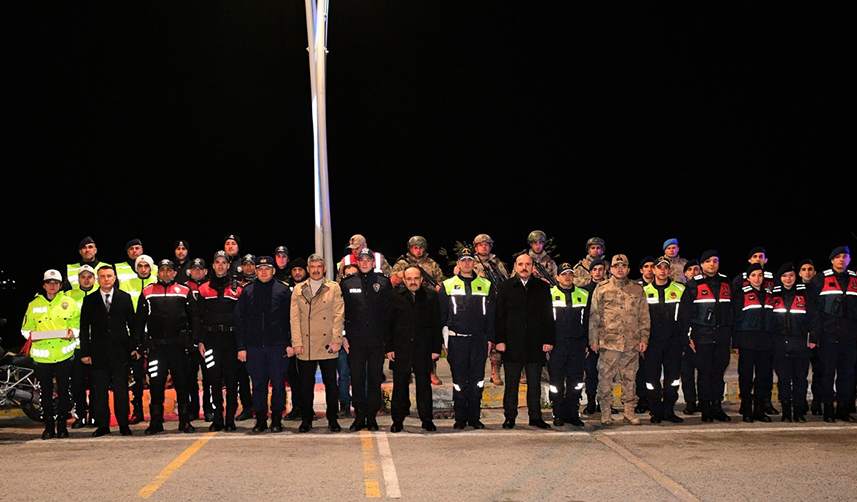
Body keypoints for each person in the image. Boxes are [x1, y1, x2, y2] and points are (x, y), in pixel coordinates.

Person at [136, 259, 201, 435]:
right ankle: (156, 422)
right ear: (158, 272)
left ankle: (185, 421)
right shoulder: (148, 291)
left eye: (169, 270)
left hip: (179, 348)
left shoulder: (184, 291)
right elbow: (139, 320)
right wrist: (140, 344)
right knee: (156, 384)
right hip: (157, 349)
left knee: (182, 385)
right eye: (162, 270)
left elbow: (194, 317)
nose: (165, 273)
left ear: (174, 273)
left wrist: (193, 341)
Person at [589, 254, 650, 426]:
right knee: (605, 379)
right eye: (617, 266)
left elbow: (644, 316)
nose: (620, 269)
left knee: (630, 378)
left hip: (631, 342)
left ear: (628, 269)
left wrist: (644, 338)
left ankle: (629, 412)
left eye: (623, 266)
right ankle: (606, 413)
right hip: (609, 343)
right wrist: (593, 339)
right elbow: (594, 317)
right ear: (611, 269)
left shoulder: (637, 289)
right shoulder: (601, 288)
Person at [438, 247, 496, 429]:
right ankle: (460, 417)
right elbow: (441, 315)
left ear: (474, 263)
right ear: (458, 263)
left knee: (477, 380)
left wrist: (490, 339)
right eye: (463, 260)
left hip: (479, 340)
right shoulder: (447, 285)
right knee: (459, 381)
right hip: (457, 340)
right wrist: (443, 340)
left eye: (470, 260)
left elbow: (492, 315)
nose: (466, 263)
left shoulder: (486, 285)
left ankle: (474, 417)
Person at [495, 253, 554, 430]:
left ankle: (535, 417)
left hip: (535, 343)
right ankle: (510, 417)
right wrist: (499, 340)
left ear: (532, 266)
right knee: (511, 384)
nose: (524, 267)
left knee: (534, 384)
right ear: (515, 266)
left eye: (527, 264)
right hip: (512, 343)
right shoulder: (505, 287)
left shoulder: (542, 287)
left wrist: (549, 339)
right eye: (520, 264)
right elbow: (499, 316)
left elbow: (549, 316)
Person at [78, 265, 139, 437]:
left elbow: (132, 325)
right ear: (98, 279)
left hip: (120, 353)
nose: (106, 279)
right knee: (99, 392)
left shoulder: (124, 298)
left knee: (121, 392)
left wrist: (136, 347)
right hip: (98, 354)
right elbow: (84, 328)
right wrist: (85, 352)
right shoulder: (90, 300)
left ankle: (123, 425)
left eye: (109, 276)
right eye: (103, 276)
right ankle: (103, 425)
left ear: (114, 278)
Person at [235, 256, 293, 433]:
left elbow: (292, 319)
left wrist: (291, 343)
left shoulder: (283, 291)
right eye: (260, 269)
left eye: (267, 269)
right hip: (254, 347)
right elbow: (239, 321)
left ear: (273, 271)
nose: (263, 272)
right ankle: (260, 419)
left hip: (278, 346)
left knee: (278, 384)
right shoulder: (248, 291)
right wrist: (241, 347)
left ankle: (276, 418)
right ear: (256, 271)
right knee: (258, 385)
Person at [290, 254, 346, 433]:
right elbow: (294, 318)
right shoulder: (298, 289)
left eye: (319, 266)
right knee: (305, 385)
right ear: (308, 269)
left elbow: (339, 315)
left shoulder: (333, 288)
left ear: (324, 269)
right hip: (305, 344)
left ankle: (332, 418)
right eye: (312, 266)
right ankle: (306, 419)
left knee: (331, 384)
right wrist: (296, 342)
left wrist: (337, 340)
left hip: (327, 343)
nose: (315, 270)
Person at [21, 269, 79, 439]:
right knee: (45, 394)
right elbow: (25, 329)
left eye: (55, 283)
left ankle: (62, 426)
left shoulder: (69, 302)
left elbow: (77, 324)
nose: (52, 286)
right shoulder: (34, 304)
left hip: (64, 356)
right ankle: (48, 427)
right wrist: (31, 335)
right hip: (42, 357)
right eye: (49, 283)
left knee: (63, 393)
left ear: (60, 285)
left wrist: (72, 332)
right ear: (44, 285)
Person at [384, 265, 443, 432]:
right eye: (409, 279)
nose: (413, 282)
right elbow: (388, 324)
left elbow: (436, 324)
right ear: (404, 280)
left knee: (424, 386)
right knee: (399, 387)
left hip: (423, 349)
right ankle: (397, 420)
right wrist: (389, 348)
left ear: (422, 279)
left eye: (416, 278)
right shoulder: (395, 296)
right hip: (401, 348)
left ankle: (427, 419)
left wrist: (435, 348)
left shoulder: (431, 296)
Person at [341, 248, 392, 431]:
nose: (364, 263)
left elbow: (389, 314)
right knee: (357, 377)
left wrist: (389, 340)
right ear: (357, 262)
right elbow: (341, 313)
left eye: (367, 260)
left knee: (374, 377)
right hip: (355, 340)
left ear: (373, 262)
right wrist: (343, 336)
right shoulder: (347, 283)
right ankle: (359, 415)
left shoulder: (383, 283)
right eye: (361, 260)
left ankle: (372, 416)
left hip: (377, 340)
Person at [679, 250, 733, 423]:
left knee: (718, 374)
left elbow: (733, 312)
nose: (712, 264)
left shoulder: (726, 283)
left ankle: (717, 407)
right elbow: (684, 315)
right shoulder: (693, 285)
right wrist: (687, 338)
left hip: (722, 337)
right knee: (704, 374)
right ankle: (706, 409)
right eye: (708, 261)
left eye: (715, 261)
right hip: (702, 337)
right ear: (702, 265)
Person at [196, 251, 243, 431]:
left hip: (231, 341)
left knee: (232, 381)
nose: (221, 265)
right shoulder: (204, 289)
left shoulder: (238, 289)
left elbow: (242, 319)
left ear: (228, 265)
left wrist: (241, 344)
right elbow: (198, 318)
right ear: (213, 266)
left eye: (224, 262)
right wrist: (200, 341)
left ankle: (230, 419)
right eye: (217, 262)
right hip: (211, 342)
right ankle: (218, 418)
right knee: (213, 380)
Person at [809, 246, 856, 422]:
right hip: (828, 335)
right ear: (831, 260)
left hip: (850, 336)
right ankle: (827, 407)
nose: (842, 259)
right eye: (838, 257)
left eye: (845, 256)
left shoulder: (855, 280)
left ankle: (843, 409)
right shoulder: (820, 279)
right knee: (826, 373)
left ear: (850, 260)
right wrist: (815, 335)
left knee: (847, 374)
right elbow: (813, 310)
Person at [390, 235, 445, 385]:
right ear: (410, 248)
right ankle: (406, 373)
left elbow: (440, 282)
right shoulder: (402, 263)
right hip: (405, 303)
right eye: (415, 247)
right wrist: (404, 275)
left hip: (426, 302)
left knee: (427, 340)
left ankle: (432, 372)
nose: (418, 250)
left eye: (421, 247)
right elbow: (392, 281)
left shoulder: (431, 264)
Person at [642, 256, 686, 424]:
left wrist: (683, 340)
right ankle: (656, 411)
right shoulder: (643, 291)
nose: (662, 270)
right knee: (651, 380)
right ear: (653, 270)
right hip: (652, 342)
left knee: (673, 379)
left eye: (665, 268)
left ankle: (669, 410)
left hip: (673, 342)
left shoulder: (680, 289)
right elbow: (639, 318)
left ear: (669, 270)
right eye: (658, 267)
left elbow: (685, 317)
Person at [771, 262, 817, 422]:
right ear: (780, 278)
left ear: (795, 276)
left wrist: (814, 338)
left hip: (800, 342)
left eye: (791, 275)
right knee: (783, 379)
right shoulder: (773, 295)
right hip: (779, 342)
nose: (788, 278)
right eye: (784, 276)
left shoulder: (805, 293)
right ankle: (785, 411)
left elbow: (814, 317)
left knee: (800, 379)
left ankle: (798, 411)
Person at [548, 262, 589, 427]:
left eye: (570, 273)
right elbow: (545, 322)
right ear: (557, 277)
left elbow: (587, 322)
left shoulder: (583, 294)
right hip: (557, 345)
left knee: (576, 381)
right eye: (563, 273)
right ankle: (558, 413)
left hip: (577, 345)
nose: (567, 276)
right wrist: (547, 343)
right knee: (556, 382)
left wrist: (587, 342)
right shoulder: (549, 294)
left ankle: (573, 413)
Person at [733, 263, 776, 423]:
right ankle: (747, 409)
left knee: (763, 377)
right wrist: (735, 342)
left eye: (760, 275)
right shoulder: (740, 295)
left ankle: (759, 409)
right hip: (747, 341)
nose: (757, 278)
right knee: (746, 376)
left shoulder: (769, 295)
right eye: (754, 275)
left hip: (766, 341)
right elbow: (735, 320)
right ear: (748, 278)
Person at [119, 254, 158, 424]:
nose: (143, 269)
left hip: (154, 336)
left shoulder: (157, 282)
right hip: (132, 335)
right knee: (136, 377)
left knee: (156, 376)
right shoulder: (126, 284)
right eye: (140, 266)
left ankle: (157, 412)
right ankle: (137, 411)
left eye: (146, 266)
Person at [470, 234, 508, 386]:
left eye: (486, 244)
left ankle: (495, 371)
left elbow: (506, 280)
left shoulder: (497, 263)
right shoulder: (470, 262)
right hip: (477, 305)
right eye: (481, 244)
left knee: (497, 336)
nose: (484, 247)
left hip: (496, 303)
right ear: (476, 247)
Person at [67, 265, 98, 429]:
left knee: (96, 384)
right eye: (83, 277)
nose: (86, 280)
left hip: (96, 347)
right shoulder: (68, 296)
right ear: (78, 279)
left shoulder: (100, 294)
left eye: (89, 277)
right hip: (76, 348)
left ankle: (94, 415)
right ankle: (80, 415)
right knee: (77, 385)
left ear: (94, 279)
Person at [184, 257, 213, 422]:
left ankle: (208, 409)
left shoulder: (209, 287)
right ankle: (193, 409)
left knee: (209, 377)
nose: (197, 271)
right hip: (189, 339)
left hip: (206, 339)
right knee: (189, 378)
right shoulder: (183, 287)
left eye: (200, 268)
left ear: (206, 271)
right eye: (194, 269)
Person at [582, 258, 609, 416]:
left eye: (601, 269)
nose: (598, 272)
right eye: (595, 269)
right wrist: (587, 341)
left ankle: (605, 403)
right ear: (590, 272)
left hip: (609, 339)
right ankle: (591, 402)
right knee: (591, 372)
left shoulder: (611, 289)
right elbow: (584, 318)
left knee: (607, 374)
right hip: (592, 339)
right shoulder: (584, 291)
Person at [680, 259, 702, 415]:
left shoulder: (705, 288)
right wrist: (686, 338)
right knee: (687, 373)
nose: (694, 272)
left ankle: (704, 400)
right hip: (687, 339)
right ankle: (690, 402)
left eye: (697, 269)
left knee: (704, 372)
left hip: (702, 337)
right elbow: (682, 317)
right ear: (685, 274)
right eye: (690, 270)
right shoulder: (681, 290)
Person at [634, 255, 655, 414]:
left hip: (657, 334)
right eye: (645, 266)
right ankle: (642, 398)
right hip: (639, 334)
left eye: (651, 266)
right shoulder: (635, 287)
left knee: (653, 369)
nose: (649, 269)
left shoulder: (662, 285)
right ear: (641, 270)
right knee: (640, 370)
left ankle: (654, 398)